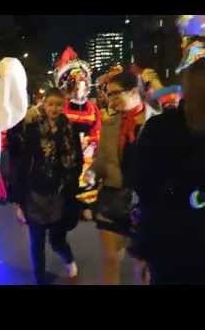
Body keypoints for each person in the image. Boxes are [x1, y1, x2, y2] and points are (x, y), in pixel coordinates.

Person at [131, 15, 205, 284]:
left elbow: (144, 186)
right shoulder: (161, 128)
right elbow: (146, 188)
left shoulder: (160, 127)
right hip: (172, 249)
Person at [88, 70, 159, 285]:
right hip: (112, 198)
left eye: (115, 94)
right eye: (108, 95)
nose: (110, 99)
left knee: (145, 263)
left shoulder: (158, 123)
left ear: (134, 91)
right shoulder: (109, 124)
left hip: (147, 201)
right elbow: (101, 161)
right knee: (111, 259)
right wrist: (92, 172)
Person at [11, 88, 83, 285]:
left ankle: (68, 261)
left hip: (60, 192)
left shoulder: (69, 128)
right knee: (37, 242)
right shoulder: (32, 128)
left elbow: (77, 159)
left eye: (58, 104)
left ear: (63, 105)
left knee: (57, 239)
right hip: (35, 192)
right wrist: (18, 198)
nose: (54, 108)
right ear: (43, 104)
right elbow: (22, 161)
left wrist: (73, 182)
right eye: (50, 104)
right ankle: (40, 280)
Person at [55, 46, 101, 216]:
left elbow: (97, 127)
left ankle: (86, 205)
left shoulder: (92, 108)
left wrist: (91, 141)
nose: (79, 89)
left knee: (87, 175)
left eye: (83, 84)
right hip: (68, 147)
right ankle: (69, 205)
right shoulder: (63, 107)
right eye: (75, 85)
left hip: (87, 148)